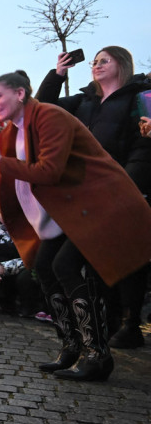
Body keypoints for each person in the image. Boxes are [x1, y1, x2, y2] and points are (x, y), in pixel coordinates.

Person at [0, 72, 151, 381]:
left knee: (66, 266)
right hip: (72, 210)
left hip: (100, 203)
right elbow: (6, 175)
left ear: (20, 94)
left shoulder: (49, 116)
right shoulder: (11, 132)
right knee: (44, 266)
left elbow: (49, 170)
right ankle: (72, 346)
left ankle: (97, 355)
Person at [36, 47, 151, 348]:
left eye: (104, 61)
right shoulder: (84, 101)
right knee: (49, 263)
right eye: (94, 62)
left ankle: (122, 327)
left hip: (117, 194)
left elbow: (143, 147)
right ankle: (78, 342)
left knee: (107, 264)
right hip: (78, 197)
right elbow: (41, 110)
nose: (96, 66)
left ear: (122, 65)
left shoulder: (141, 98)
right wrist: (58, 75)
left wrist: (126, 186)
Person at [0, 206, 41, 317]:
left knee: (26, 278)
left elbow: (31, 258)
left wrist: (4, 268)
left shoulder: (27, 230)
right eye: (1, 212)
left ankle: (29, 306)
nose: (5, 216)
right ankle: (5, 301)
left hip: (20, 270)